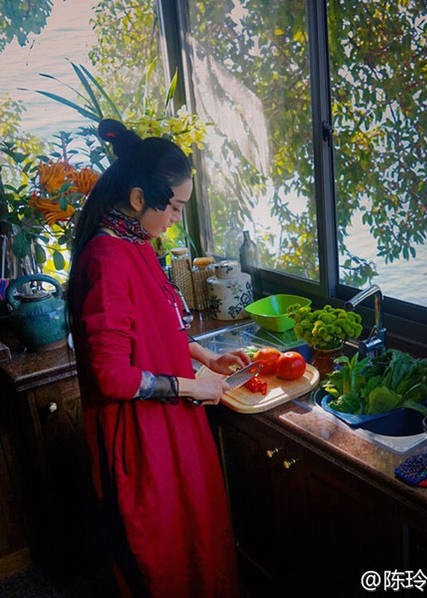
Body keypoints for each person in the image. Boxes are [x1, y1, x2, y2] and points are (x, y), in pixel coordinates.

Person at [67, 119, 247, 597]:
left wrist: (204, 356)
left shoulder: (137, 243)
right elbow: (112, 377)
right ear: (137, 198)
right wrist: (193, 386)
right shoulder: (107, 259)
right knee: (163, 553)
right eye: (174, 207)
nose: (176, 220)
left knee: (198, 535)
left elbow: (156, 324)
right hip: (140, 436)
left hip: (170, 420)